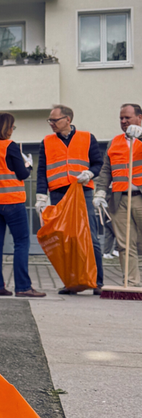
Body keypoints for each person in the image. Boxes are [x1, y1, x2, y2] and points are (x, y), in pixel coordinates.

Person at [0, 112, 46, 297]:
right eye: (12, 126)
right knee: (21, 242)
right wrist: (28, 164)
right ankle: (23, 287)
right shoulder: (9, 147)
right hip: (11, 201)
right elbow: (22, 174)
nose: (13, 130)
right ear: (7, 128)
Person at [35, 105, 105, 295]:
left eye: (54, 120)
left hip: (82, 191)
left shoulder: (87, 137)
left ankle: (97, 282)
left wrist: (90, 173)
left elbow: (98, 163)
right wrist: (41, 196)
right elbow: (42, 171)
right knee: (65, 239)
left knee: (89, 236)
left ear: (68, 119)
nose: (51, 124)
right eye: (50, 120)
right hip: (58, 193)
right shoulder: (47, 142)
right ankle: (71, 282)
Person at [93, 104, 142, 286]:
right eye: (121, 118)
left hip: (140, 196)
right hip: (119, 198)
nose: (123, 121)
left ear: (139, 118)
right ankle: (131, 282)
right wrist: (100, 191)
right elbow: (106, 170)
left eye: (127, 118)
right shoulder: (114, 142)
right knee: (124, 243)